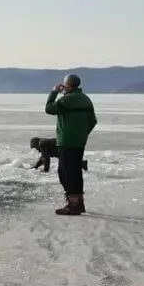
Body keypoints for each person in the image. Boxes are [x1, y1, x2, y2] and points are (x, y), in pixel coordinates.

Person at [45, 73, 97, 215]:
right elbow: (93, 121)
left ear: (67, 85)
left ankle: (73, 204)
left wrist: (54, 92)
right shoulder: (86, 99)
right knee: (75, 172)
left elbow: (49, 109)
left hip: (66, 142)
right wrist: (82, 134)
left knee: (65, 172)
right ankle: (79, 203)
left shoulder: (66, 100)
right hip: (79, 143)